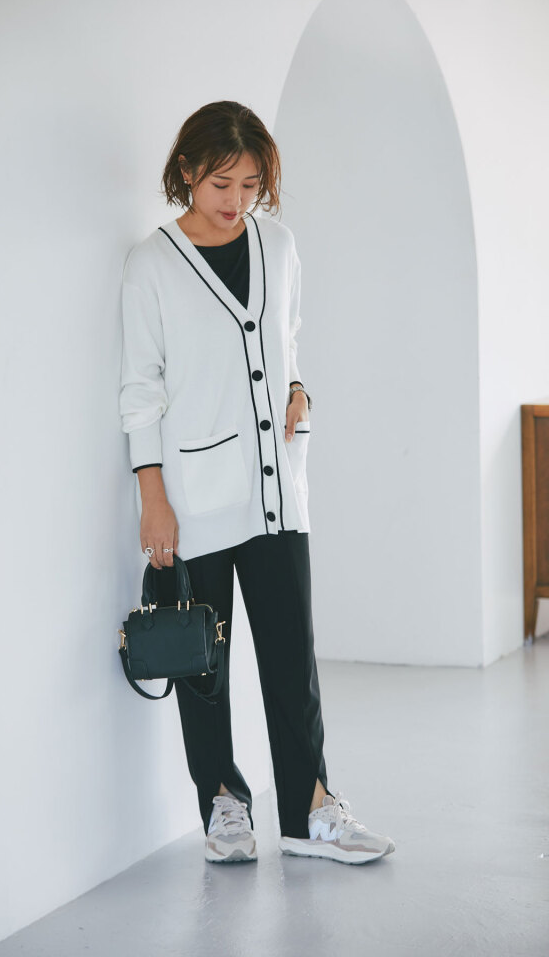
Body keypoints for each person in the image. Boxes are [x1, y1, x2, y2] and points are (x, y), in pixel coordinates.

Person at [118, 100, 395, 865]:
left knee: (291, 659)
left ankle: (312, 813)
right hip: (194, 496)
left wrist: (298, 387)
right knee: (203, 665)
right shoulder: (151, 265)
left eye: (250, 185)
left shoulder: (279, 245)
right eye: (221, 185)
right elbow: (141, 391)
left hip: (276, 492)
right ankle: (223, 805)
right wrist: (152, 499)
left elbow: (285, 340)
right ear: (185, 172)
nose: (237, 201)